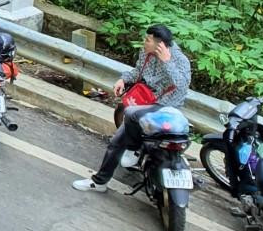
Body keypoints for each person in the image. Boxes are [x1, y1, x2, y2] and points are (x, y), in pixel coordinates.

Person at [72, 25, 191, 192]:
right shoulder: (146, 53)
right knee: (116, 142)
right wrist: (123, 80)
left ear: (160, 44)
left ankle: (133, 149)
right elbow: (138, 72)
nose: (144, 42)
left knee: (130, 114)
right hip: (145, 101)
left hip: (166, 107)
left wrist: (167, 62)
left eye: (147, 40)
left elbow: (182, 86)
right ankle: (99, 182)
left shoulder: (179, 60)